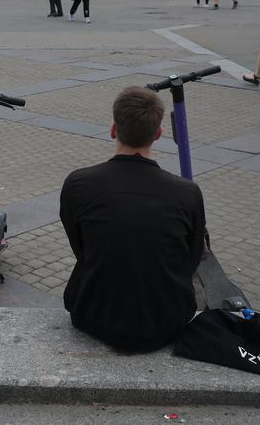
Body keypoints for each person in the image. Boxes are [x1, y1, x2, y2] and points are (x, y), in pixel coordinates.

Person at [61, 86, 205, 352]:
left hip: (92, 314)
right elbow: (192, 257)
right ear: (159, 133)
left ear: (114, 130)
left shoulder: (78, 183)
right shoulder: (187, 192)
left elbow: (81, 247)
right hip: (168, 320)